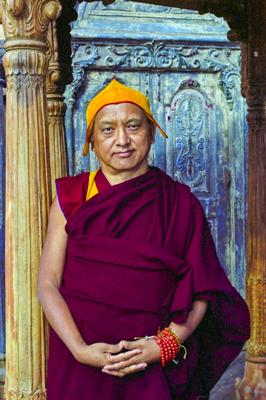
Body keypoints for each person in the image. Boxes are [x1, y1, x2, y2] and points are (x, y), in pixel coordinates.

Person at [38, 79, 250, 400]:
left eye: (133, 126)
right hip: (81, 358)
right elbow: (48, 283)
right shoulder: (71, 198)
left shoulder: (179, 203)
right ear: (91, 141)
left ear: (151, 134)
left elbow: (201, 288)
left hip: (153, 361)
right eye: (107, 130)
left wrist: (165, 344)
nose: (122, 140)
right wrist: (80, 350)